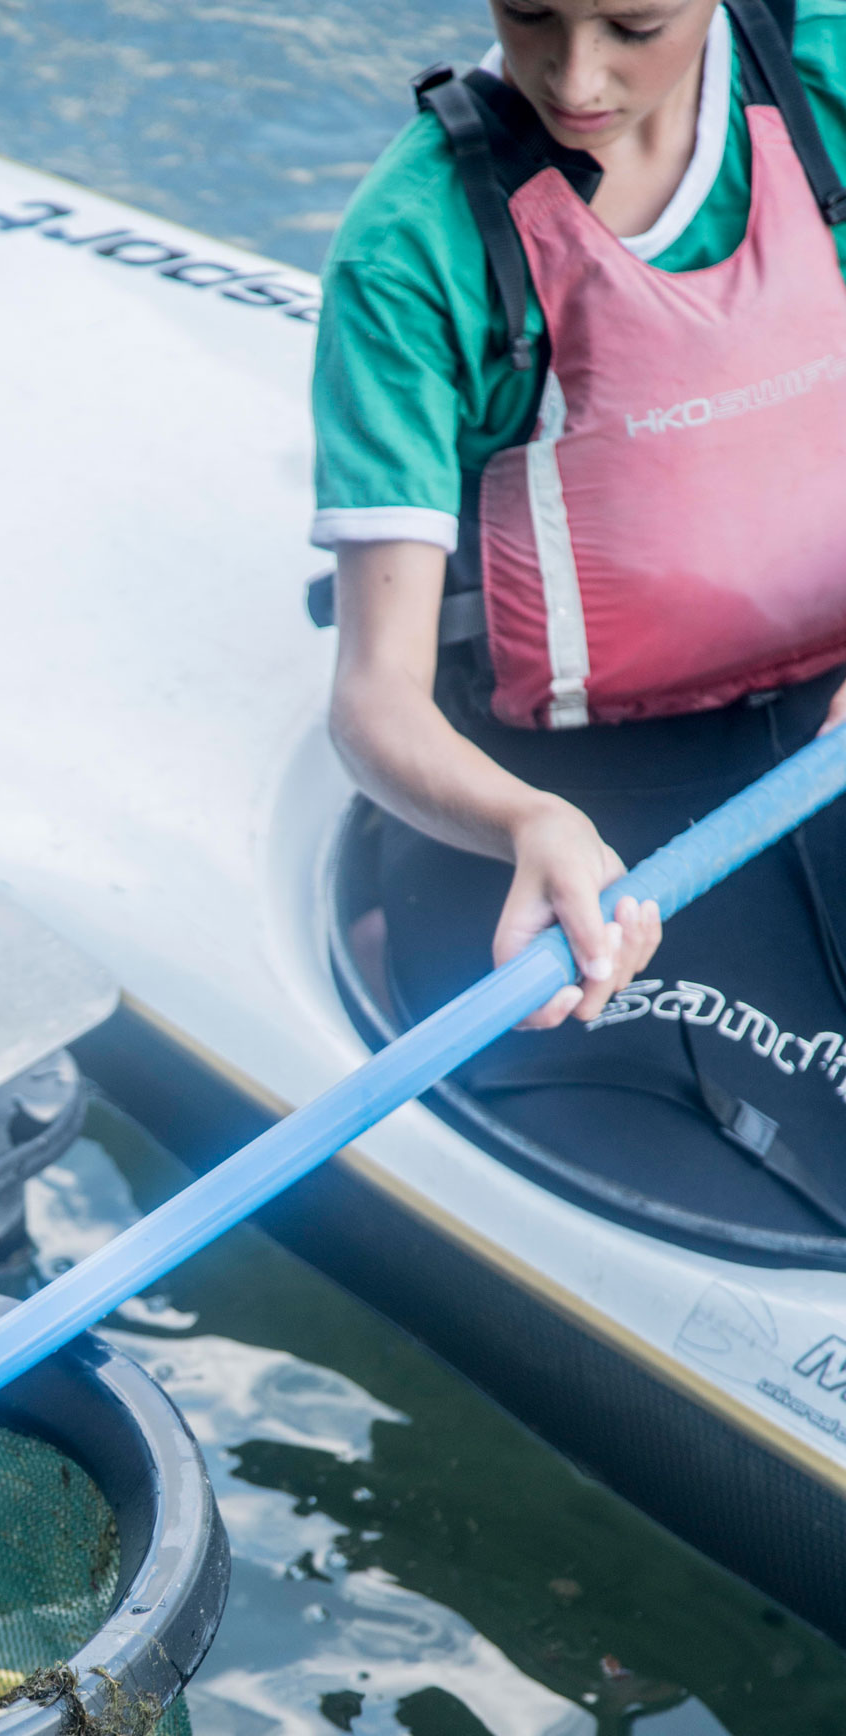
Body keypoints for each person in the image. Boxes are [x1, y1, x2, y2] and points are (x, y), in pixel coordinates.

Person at [314, 0, 846, 1245]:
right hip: (571, 802)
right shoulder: (412, 245)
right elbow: (371, 700)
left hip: (825, 716)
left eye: (632, 25)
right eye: (532, 15)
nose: (575, 75)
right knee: (745, 1161)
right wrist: (524, 823)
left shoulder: (823, 76)